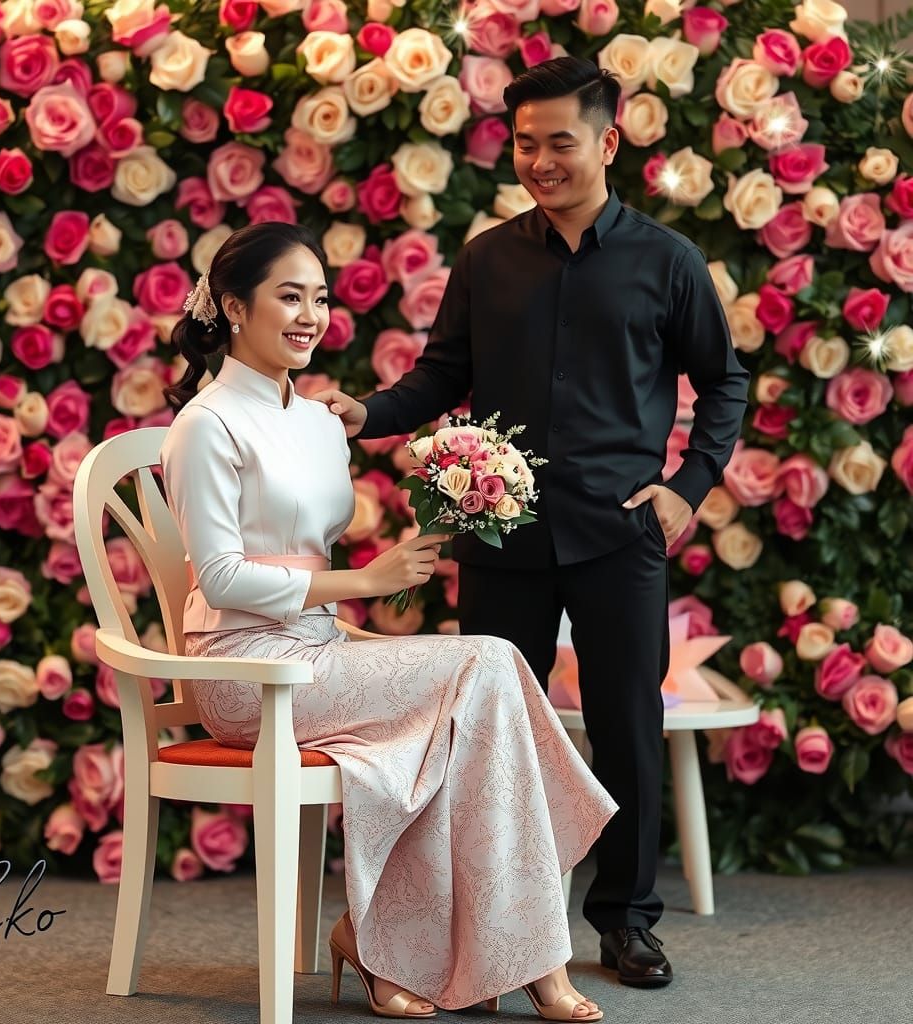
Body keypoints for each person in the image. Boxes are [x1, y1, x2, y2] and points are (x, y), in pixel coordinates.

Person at [315, 57, 750, 989]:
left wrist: (689, 484)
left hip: (618, 532)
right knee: (488, 738)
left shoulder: (666, 261)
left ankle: (625, 919)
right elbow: (442, 377)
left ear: (608, 141)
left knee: (626, 725)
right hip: (500, 533)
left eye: (561, 140)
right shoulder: (488, 258)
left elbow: (723, 384)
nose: (542, 159)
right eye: (526, 142)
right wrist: (368, 412)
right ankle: (492, 919)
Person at [159, 221, 618, 1020]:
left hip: (322, 654)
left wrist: (454, 501)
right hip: (247, 672)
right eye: (288, 296)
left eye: (321, 298)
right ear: (233, 306)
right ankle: (528, 957)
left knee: (480, 688)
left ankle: (403, 943)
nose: (311, 315)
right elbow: (223, 578)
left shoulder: (315, 419)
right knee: (487, 666)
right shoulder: (206, 423)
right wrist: (366, 578)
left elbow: (313, 543)